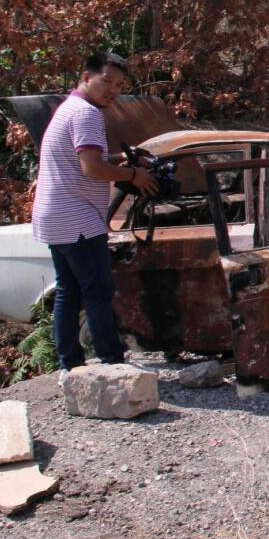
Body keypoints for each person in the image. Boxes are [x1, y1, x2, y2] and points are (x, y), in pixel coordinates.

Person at [31, 52, 158, 383]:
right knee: (97, 291)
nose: (113, 90)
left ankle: (70, 365)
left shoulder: (68, 109)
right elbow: (92, 168)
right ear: (86, 77)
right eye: (107, 81)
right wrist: (133, 175)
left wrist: (122, 158)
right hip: (77, 217)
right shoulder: (87, 114)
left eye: (119, 85)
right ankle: (112, 362)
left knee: (69, 291)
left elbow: (85, 159)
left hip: (54, 216)